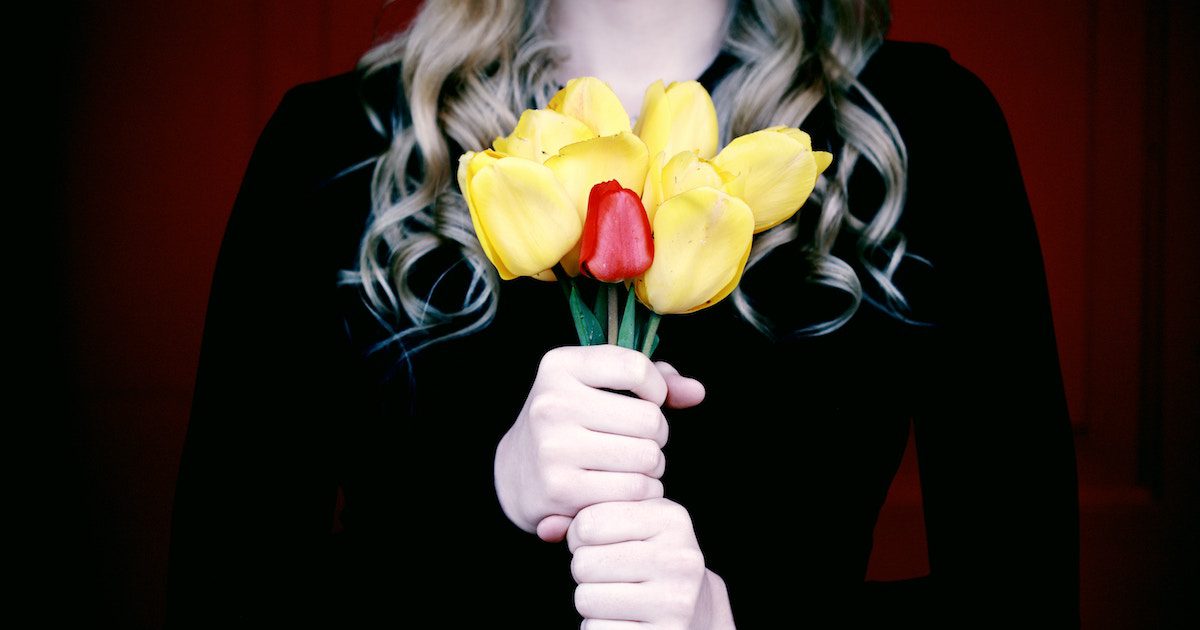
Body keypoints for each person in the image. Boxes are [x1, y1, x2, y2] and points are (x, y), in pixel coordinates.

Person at [166, 0, 1081, 627]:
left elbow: (1026, 600)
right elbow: (222, 596)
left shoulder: (921, 133)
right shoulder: (334, 147)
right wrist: (488, 503)